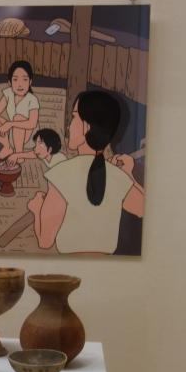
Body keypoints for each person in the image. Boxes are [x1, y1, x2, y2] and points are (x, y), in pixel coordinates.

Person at [26, 90, 145, 254]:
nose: (69, 126)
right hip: (108, 266)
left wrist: (37, 208)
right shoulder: (117, 176)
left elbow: (45, 241)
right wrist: (128, 175)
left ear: (87, 126)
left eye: (74, 117)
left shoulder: (60, 174)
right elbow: (143, 209)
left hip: (70, 266)